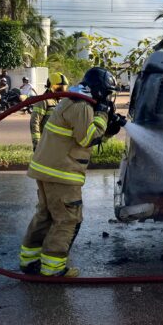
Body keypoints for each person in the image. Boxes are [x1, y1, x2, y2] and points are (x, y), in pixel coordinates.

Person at [18, 67, 126, 277]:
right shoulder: (81, 105)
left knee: (45, 216)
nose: (108, 98)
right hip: (62, 173)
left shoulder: (74, 100)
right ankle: (53, 269)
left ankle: (30, 261)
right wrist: (103, 115)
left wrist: (107, 130)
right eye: (107, 92)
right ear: (99, 90)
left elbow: (82, 140)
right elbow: (86, 138)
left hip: (48, 170)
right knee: (67, 219)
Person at [29, 72, 69, 150]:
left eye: (63, 87)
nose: (62, 90)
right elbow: (35, 122)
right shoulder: (43, 101)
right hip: (46, 143)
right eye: (58, 88)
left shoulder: (61, 102)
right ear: (51, 87)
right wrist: (37, 143)